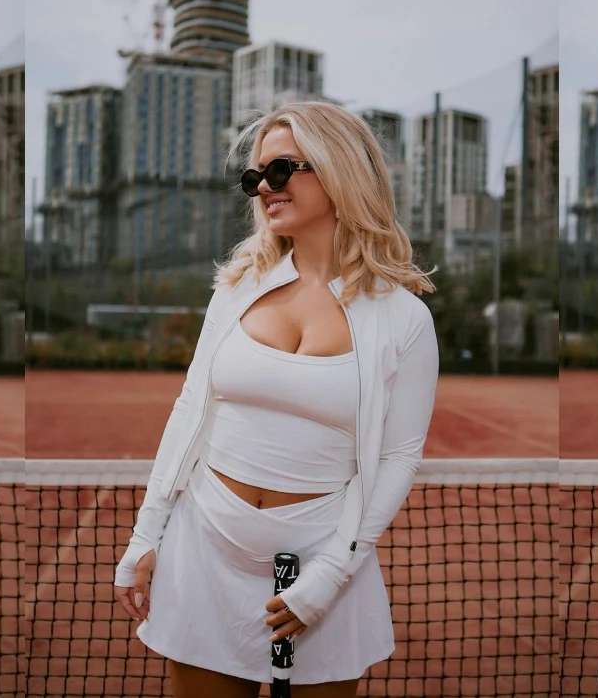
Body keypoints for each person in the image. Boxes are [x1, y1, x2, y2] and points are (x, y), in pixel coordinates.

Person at [111, 101, 440, 698]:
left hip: (322, 559)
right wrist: (146, 535)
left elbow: (398, 458)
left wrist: (333, 572)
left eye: (282, 169)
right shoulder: (237, 288)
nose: (264, 186)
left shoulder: (403, 318)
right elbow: (190, 410)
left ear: (340, 171)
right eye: (255, 176)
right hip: (206, 545)